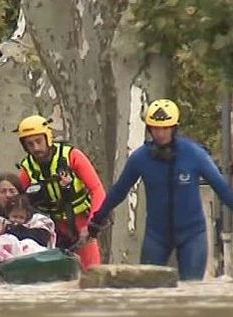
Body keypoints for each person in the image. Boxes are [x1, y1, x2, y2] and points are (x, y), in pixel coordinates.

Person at [89, 98, 233, 280]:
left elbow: (222, 189)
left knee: (191, 289)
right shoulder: (140, 158)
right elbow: (119, 191)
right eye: (156, 128)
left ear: (174, 128)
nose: (160, 133)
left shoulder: (195, 154)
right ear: (149, 129)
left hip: (192, 233)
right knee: (148, 289)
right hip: (156, 235)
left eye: (165, 128)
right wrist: (97, 220)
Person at [15, 115, 106, 270]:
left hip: (81, 223)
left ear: (48, 138)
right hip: (51, 227)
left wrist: (91, 225)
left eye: (39, 141)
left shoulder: (72, 156)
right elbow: (17, 202)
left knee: (92, 272)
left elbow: (97, 190)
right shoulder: (27, 168)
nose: (36, 148)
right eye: (30, 144)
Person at [0, 194, 56, 262]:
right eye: (14, 216)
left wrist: (11, 229)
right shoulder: (0, 222)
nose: (17, 220)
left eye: (21, 217)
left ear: (27, 216)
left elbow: (41, 239)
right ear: (8, 214)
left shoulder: (38, 222)